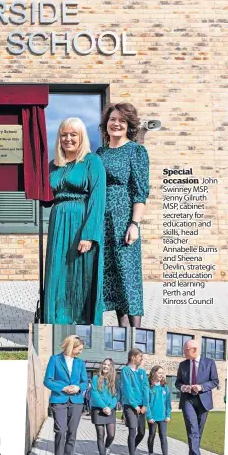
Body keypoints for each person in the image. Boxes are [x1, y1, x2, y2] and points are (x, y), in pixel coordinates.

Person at [44, 118, 106, 326]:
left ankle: (83, 328)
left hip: (82, 223)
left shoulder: (92, 161)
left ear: (81, 137)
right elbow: (46, 198)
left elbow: (98, 200)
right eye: (64, 134)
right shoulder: (53, 165)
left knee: (81, 276)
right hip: (58, 223)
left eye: (73, 135)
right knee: (58, 275)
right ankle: (56, 325)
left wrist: (89, 234)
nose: (68, 139)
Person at [97, 103, 149, 328]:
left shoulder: (136, 151)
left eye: (122, 121)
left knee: (128, 277)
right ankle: (121, 332)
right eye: (112, 119)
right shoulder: (100, 153)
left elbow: (140, 192)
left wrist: (135, 224)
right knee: (111, 278)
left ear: (128, 126)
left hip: (123, 221)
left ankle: (136, 338)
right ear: (106, 124)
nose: (116, 124)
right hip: (101, 222)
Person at [43, 335, 88, 455]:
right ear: (71, 347)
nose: (80, 352)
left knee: (72, 433)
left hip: (76, 401)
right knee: (61, 431)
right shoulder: (55, 360)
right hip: (60, 400)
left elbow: (85, 382)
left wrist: (77, 387)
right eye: (79, 349)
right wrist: (63, 388)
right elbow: (47, 381)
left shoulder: (80, 363)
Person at [175, 339, 219, 455]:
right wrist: (183, 387)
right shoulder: (183, 365)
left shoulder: (209, 363)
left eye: (185, 350)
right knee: (192, 429)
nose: (183, 352)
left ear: (194, 350)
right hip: (188, 400)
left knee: (198, 431)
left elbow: (215, 381)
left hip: (203, 401)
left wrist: (201, 387)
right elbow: (177, 382)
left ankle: (192, 454)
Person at [120, 347, 149, 455]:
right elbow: (127, 389)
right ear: (133, 357)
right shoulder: (125, 370)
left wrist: (145, 405)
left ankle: (132, 448)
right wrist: (135, 405)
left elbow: (146, 388)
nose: (141, 359)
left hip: (141, 406)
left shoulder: (142, 372)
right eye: (140, 356)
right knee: (133, 431)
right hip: (130, 406)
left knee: (141, 432)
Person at [90, 358, 118, 455]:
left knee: (111, 435)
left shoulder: (114, 380)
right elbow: (95, 394)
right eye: (104, 364)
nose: (106, 366)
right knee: (100, 435)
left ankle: (106, 449)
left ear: (111, 367)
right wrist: (103, 407)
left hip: (110, 410)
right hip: (98, 410)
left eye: (108, 365)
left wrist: (110, 407)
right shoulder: (95, 378)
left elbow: (115, 396)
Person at [146, 365, 172, 455]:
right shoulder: (149, 386)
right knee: (152, 435)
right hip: (152, 417)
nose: (161, 374)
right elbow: (147, 403)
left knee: (163, 436)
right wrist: (149, 416)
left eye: (162, 373)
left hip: (163, 417)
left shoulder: (165, 387)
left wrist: (168, 415)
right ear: (153, 373)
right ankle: (151, 454)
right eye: (159, 372)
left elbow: (168, 403)